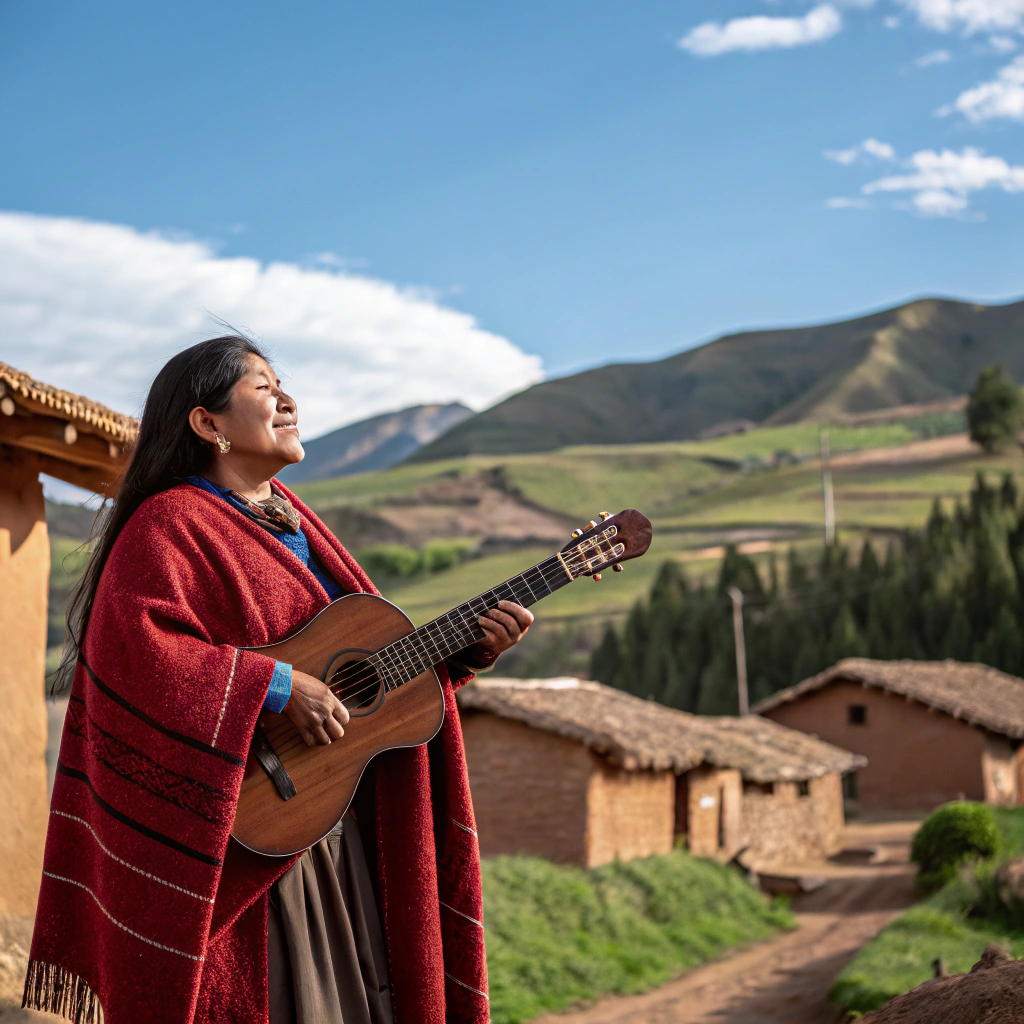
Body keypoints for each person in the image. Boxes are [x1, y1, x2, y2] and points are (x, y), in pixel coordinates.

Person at [24, 335, 534, 1024]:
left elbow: (362, 672)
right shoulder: (169, 524)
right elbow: (138, 654)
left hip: (330, 827)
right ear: (207, 424)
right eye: (263, 387)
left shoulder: (304, 529)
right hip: (245, 850)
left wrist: (458, 655)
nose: (287, 398)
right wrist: (277, 686)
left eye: (282, 383)